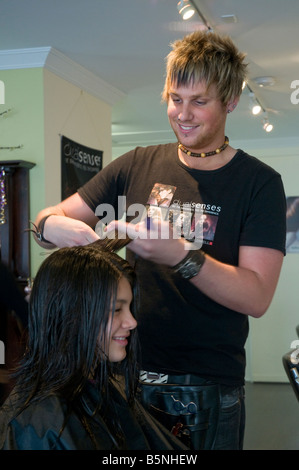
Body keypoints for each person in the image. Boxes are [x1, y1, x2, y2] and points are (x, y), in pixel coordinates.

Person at [31, 30, 286, 450]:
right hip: (124, 376)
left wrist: (182, 255)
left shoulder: (258, 184)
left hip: (205, 387)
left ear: (230, 102)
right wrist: (50, 227)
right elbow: (47, 218)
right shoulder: (135, 165)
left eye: (199, 101)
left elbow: (256, 297)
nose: (182, 114)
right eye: (175, 98)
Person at [0, 240, 187, 450]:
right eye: (117, 310)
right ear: (74, 315)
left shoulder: (103, 386)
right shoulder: (39, 423)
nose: (132, 322)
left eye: (130, 308)